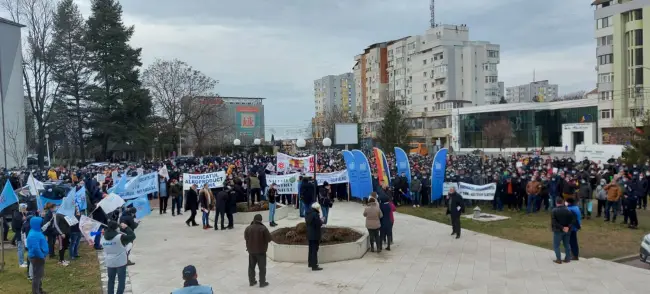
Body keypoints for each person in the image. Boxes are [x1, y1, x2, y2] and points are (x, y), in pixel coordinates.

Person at [102, 220, 136, 294]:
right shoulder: (120, 237)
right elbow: (133, 236)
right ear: (115, 228)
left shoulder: (103, 237)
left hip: (110, 262)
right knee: (121, 281)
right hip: (120, 262)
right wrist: (127, 228)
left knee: (111, 280)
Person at [244, 214, 271, 288]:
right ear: (261, 220)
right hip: (261, 252)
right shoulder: (263, 228)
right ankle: (262, 282)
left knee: (251, 267)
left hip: (251, 251)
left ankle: (251, 281)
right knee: (262, 268)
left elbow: (246, 238)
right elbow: (269, 239)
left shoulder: (248, 228)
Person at [27, 216, 49, 294]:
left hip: (38, 257)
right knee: (36, 276)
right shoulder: (33, 234)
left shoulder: (36, 231)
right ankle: (36, 292)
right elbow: (36, 248)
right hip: (37, 257)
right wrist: (42, 256)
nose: (42, 224)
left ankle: (39, 290)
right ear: (37, 224)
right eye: (41, 223)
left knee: (39, 275)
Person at [551, 197, 575, 264]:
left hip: (558, 230)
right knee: (567, 244)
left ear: (556, 203)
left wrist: (562, 227)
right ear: (563, 202)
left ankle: (558, 259)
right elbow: (573, 220)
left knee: (556, 245)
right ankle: (567, 258)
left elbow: (554, 222)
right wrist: (567, 227)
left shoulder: (554, 210)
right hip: (567, 231)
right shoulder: (569, 210)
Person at [305, 203, 323, 271]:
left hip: (309, 234)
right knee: (314, 250)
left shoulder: (307, 213)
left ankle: (310, 263)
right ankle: (314, 266)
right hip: (315, 234)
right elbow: (318, 223)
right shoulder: (315, 214)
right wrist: (322, 221)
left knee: (311, 250)